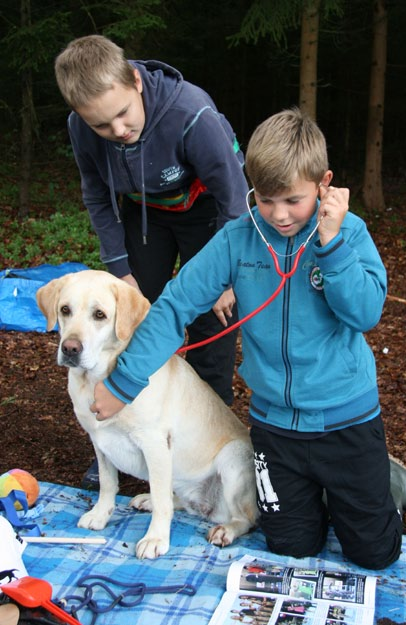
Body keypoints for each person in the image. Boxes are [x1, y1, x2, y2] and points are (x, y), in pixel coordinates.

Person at [90, 108, 403, 570]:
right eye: (265, 199)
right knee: (292, 546)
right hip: (276, 429)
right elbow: (175, 303)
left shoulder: (348, 234)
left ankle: (382, 486)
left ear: (324, 183)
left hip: (346, 422)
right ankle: (322, 496)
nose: (278, 215)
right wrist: (122, 384)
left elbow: (365, 313)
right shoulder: (238, 239)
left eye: (293, 200)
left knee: (375, 554)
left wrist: (331, 246)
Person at [55, 35, 248, 487]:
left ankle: (202, 444)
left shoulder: (191, 113)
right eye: (102, 126)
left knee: (209, 320)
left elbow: (235, 201)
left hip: (209, 215)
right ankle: (117, 437)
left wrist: (226, 278)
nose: (118, 130)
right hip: (146, 216)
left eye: (123, 114)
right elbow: (97, 196)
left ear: (136, 82)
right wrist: (120, 270)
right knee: (131, 321)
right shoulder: (81, 126)